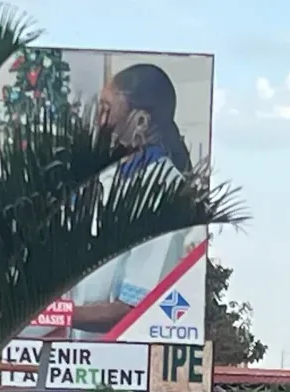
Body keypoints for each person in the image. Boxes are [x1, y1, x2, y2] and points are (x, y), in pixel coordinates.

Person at [70, 63, 200, 335]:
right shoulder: (106, 177)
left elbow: (135, 306)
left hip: (118, 365)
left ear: (141, 121)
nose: (99, 121)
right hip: (73, 356)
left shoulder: (165, 194)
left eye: (107, 110)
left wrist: (50, 317)